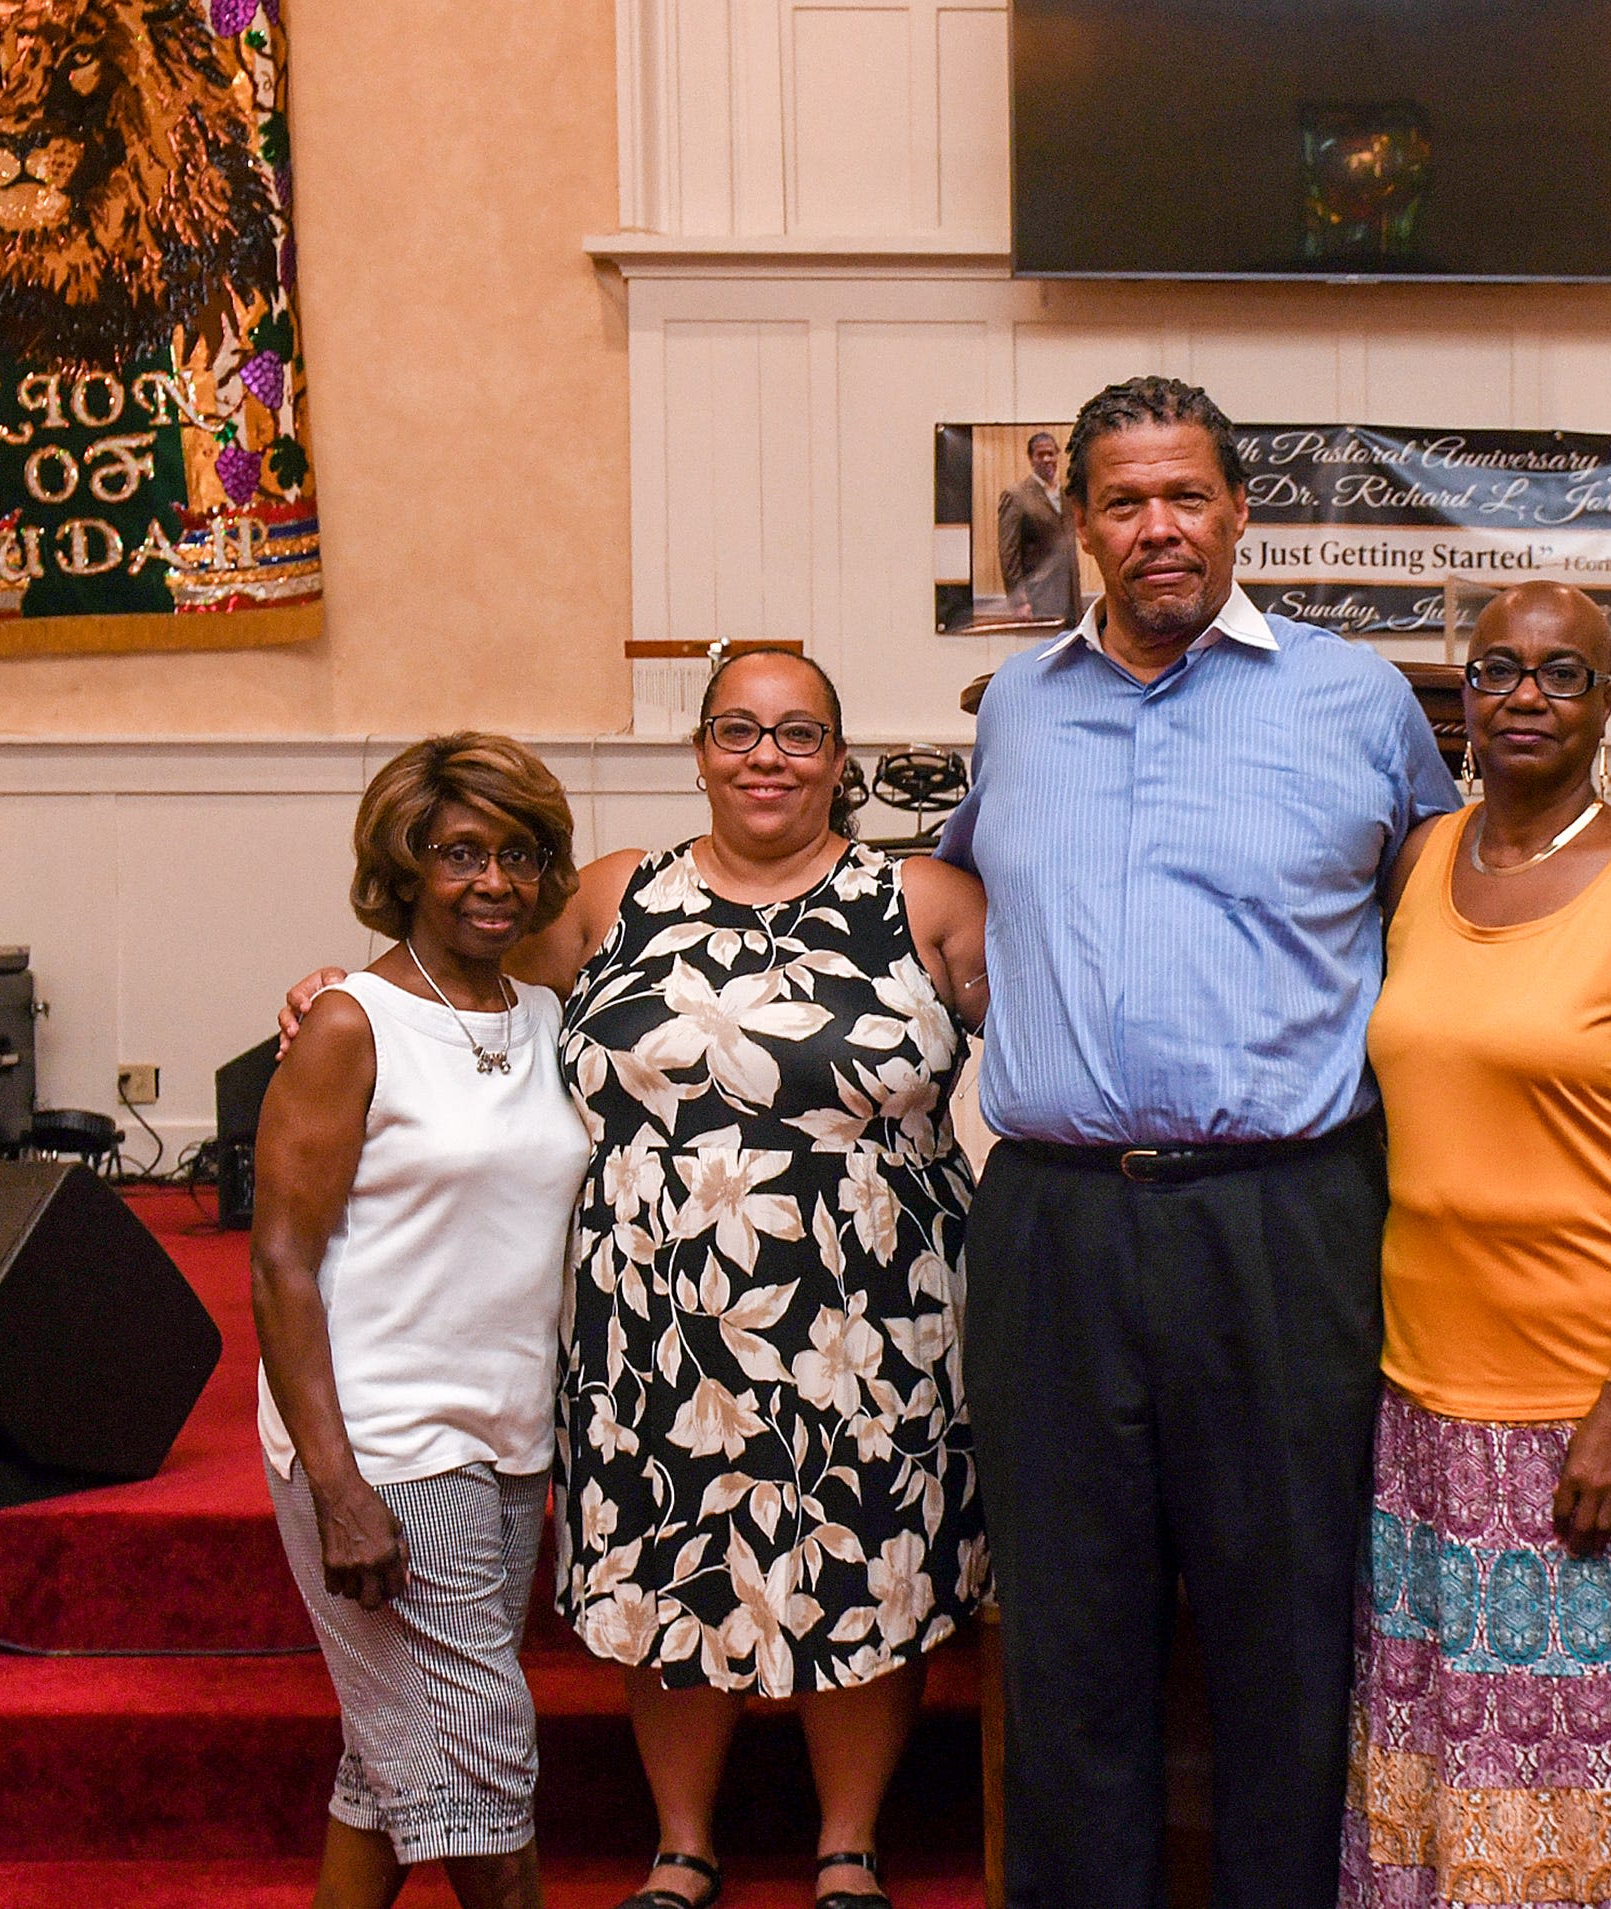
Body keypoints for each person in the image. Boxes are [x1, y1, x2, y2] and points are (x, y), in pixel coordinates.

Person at [284, 650, 990, 1909]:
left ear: (841, 756)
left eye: (798, 733)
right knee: (673, 1564)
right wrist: (326, 997)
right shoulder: (617, 895)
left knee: (873, 1563)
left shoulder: (926, 896)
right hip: (653, 1323)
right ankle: (681, 1841)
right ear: (701, 750)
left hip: (876, 1318)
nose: (766, 755)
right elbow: (457, 969)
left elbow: (1067, 1025)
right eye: (737, 729)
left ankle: (849, 1844)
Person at [937, 374, 1462, 1909]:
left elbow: (1444, 922)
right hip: (1055, 1226)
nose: (1157, 527)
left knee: (1284, 1629)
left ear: (1242, 512)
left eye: (1186, 497)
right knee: (1070, 1630)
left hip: (1284, 1222)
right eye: (1123, 501)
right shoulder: (1019, 708)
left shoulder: (1357, 700)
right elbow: (950, 894)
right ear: (1081, 525)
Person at [1346, 582, 1611, 1907]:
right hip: (1426, 1400)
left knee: (1590, 1776)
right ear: (1463, 696)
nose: (1526, 696)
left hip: (1594, 1400)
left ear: (1606, 707)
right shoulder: (1421, 863)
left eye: (1562, 675)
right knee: (1444, 1756)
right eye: (1500, 671)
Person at [254, 733, 592, 1909]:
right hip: (385, 1444)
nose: (493, 880)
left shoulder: (547, 1016)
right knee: (484, 1771)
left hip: (506, 1441)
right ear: (405, 866)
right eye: (460, 853)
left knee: (389, 1767)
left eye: (517, 854)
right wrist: (339, 1485)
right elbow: (282, 1264)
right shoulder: (350, 1023)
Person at [996, 429, 1079, 625]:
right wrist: (1019, 602)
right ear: (1031, 459)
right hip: (1037, 599)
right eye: (1040, 454)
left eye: (1051, 453)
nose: (1047, 459)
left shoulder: (1067, 494)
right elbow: (1009, 553)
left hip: (1070, 598)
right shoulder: (1017, 496)